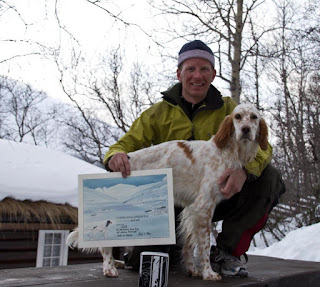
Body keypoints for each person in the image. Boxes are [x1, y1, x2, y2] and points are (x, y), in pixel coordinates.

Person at [104, 40, 285, 277]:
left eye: (204, 69)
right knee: (147, 262)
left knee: (270, 177)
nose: (197, 76)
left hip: (221, 195)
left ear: (213, 74)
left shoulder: (231, 110)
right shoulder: (158, 113)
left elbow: (264, 148)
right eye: (190, 69)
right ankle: (158, 246)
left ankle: (225, 251)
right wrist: (114, 156)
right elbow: (124, 145)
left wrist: (244, 170)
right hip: (169, 200)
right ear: (179, 74)